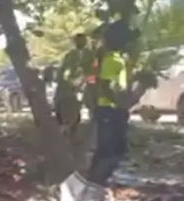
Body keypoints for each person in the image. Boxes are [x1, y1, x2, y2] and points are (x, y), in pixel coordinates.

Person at [87, 21, 132, 186]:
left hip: (111, 109)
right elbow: (105, 86)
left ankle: (94, 182)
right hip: (109, 110)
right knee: (110, 151)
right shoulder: (111, 59)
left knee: (110, 150)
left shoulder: (117, 59)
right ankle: (95, 183)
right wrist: (119, 103)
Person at [54, 33, 94, 137]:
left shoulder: (91, 55)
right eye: (78, 41)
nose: (81, 42)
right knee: (68, 109)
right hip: (70, 87)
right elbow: (63, 70)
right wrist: (67, 80)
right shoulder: (69, 55)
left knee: (85, 108)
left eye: (83, 40)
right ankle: (68, 131)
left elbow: (93, 70)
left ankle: (80, 133)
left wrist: (86, 80)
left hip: (85, 85)